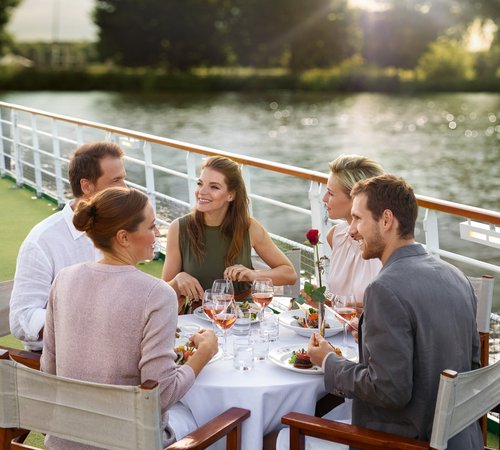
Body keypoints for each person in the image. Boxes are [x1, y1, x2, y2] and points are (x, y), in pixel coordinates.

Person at [276, 174, 482, 450]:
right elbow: (470, 366)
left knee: (281, 434)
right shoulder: (457, 276)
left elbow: (388, 391)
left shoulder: (384, 289)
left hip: (402, 441)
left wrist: (327, 361)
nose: (351, 231)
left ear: (386, 220)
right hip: (459, 438)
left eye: (358, 219)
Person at [41, 187, 218, 449]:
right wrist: (205, 353)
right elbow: (161, 395)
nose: (157, 233)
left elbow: (49, 369)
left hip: (66, 439)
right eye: (152, 226)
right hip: (129, 442)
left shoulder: (64, 278)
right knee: (212, 417)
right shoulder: (156, 294)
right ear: (123, 237)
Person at [10, 141, 127, 350]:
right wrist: (84, 329)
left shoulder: (119, 229)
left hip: (115, 347)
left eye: (124, 179)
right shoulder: (42, 241)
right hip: (58, 360)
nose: (125, 189)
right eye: (116, 181)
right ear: (86, 186)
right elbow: (22, 318)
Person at [162, 155, 297, 306]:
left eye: (214, 187)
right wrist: (177, 280)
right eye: (200, 183)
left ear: (231, 195)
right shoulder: (179, 228)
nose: (202, 192)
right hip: (197, 320)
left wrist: (253, 275)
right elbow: (163, 293)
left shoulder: (250, 227)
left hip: (244, 317)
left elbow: (289, 274)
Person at [322, 154, 384, 305]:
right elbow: (340, 299)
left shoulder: (384, 248)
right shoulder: (335, 236)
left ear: (355, 197)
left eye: (330, 193)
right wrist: (322, 300)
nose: (324, 198)